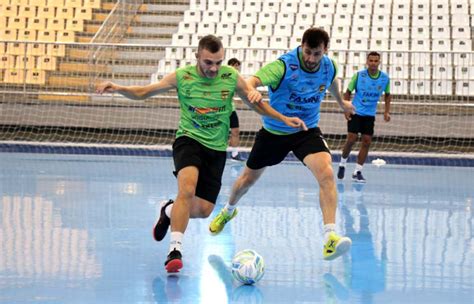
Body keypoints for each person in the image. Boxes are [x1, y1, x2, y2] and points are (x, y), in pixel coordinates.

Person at [96, 35, 306, 273]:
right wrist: (119, 87)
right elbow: (145, 92)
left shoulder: (231, 77)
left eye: (218, 62)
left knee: (205, 209)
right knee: (187, 189)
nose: (214, 68)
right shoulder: (182, 77)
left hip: (216, 149)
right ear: (197, 56)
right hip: (189, 140)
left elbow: (257, 105)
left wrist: (283, 118)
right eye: (208, 62)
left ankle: (167, 210)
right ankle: (174, 250)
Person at [209, 27, 355, 261]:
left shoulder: (329, 66)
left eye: (316, 54)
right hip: (274, 131)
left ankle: (330, 237)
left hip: (306, 130)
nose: (310, 59)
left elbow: (332, 83)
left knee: (326, 173)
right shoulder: (284, 66)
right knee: (246, 180)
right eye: (307, 52)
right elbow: (252, 80)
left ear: (325, 51)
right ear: (302, 46)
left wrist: (342, 103)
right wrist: (252, 90)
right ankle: (227, 211)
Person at [337, 51, 391, 183]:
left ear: (379, 62)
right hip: (356, 111)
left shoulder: (384, 78)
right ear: (367, 62)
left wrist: (386, 111)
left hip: (370, 115)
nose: (373, 63)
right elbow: (347, 92)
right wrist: (346, 108)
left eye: (375, 61)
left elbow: (388, 95)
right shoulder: (359, 76)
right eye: (371, 61)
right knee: (352, 139)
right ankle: (342, 164)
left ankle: (357, 172)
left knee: (367, 141)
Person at [227, 58, 244, 161]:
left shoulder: (237, 79)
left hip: (231, 109)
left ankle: (234, 154)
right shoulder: (222, 77)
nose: (236, 67)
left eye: (238, 65)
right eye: (234, 65)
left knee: (235, 131)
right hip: (220, 110)